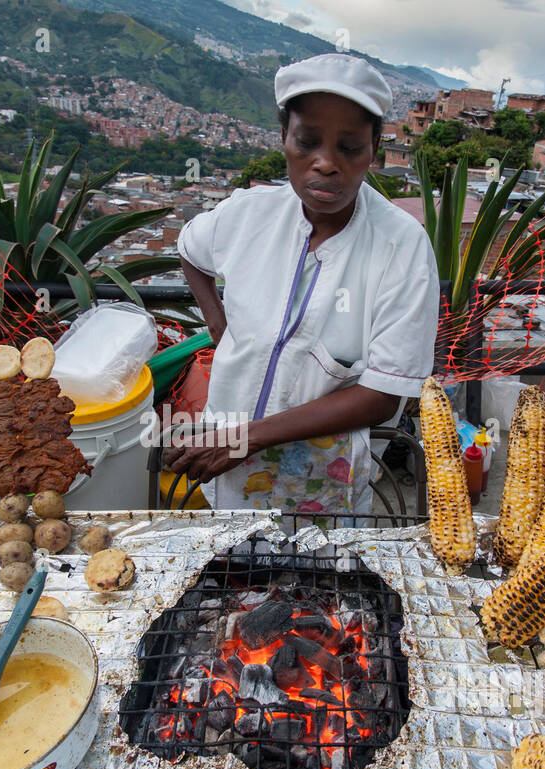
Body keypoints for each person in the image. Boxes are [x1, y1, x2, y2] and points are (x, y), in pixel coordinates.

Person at [169, 53, 439, 518]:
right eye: (307, 142)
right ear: (283, 140)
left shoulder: (402, 246)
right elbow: (190, 250)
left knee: (319, 577)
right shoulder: (247, 214)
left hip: (322, 474)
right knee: (234, 570)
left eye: (349, 147)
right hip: (225, 453)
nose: (326, 164)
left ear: (374, 148)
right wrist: (219, 325)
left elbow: (381, 395)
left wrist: (245, 439)